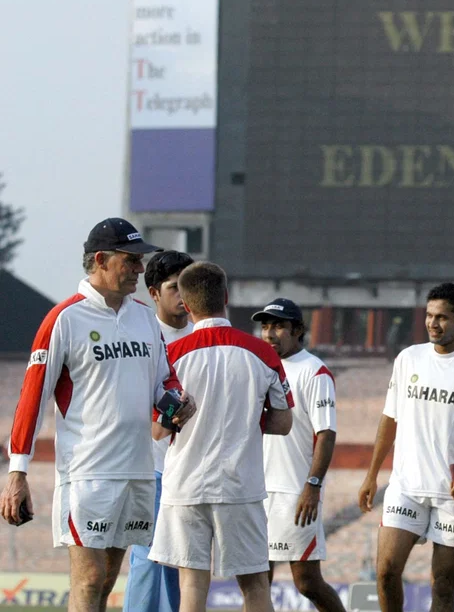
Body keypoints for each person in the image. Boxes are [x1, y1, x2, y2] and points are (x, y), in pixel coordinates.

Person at [0, 218, 196, 612]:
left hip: (138, 470)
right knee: (88, 581)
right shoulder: (64, 319)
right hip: (88, 473)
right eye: (132, 260)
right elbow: (32, 398)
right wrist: (17, 472)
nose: (141, 269)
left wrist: (177, 401)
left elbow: (164, 382)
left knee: (106, 580)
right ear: (101, 260)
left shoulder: (143, 317)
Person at [149, 262, 294, 612]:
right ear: (226, 297)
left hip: (185, 483)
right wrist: (247, 417)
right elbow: (283, 423)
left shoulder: (171, 355)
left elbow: (158, 429)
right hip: (239, 485)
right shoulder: (263, 353)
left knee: (192, 585)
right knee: (255, 584)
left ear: (185, 303)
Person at [358, 283, 454, 612]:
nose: (432, 323)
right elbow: (389, 418)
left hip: (453, 493)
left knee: (442, 586)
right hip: (406, 486)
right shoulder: (408, 358)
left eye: (442, 317)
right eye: (429, 316)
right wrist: (371, 476)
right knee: (385, 573)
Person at [253, 297, 347, 612]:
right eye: (265, 326)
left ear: (298, 331)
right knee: (256, 581)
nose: (269, 333)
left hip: (295, 490)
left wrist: (313, 484)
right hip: (255, 490)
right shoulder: (257, 364)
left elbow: (326, 433)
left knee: (306, 582)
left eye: (279, 326)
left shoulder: (314, 371)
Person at [124, 250, 195, 612]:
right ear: (153, 292)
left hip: (193, 469)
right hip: (151, 467)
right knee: (147, 559)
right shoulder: (142, 336)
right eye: (173, 287)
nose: (182, 295)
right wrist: (167, 418)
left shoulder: (204, 335)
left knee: (178, 562)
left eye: (187, 285)